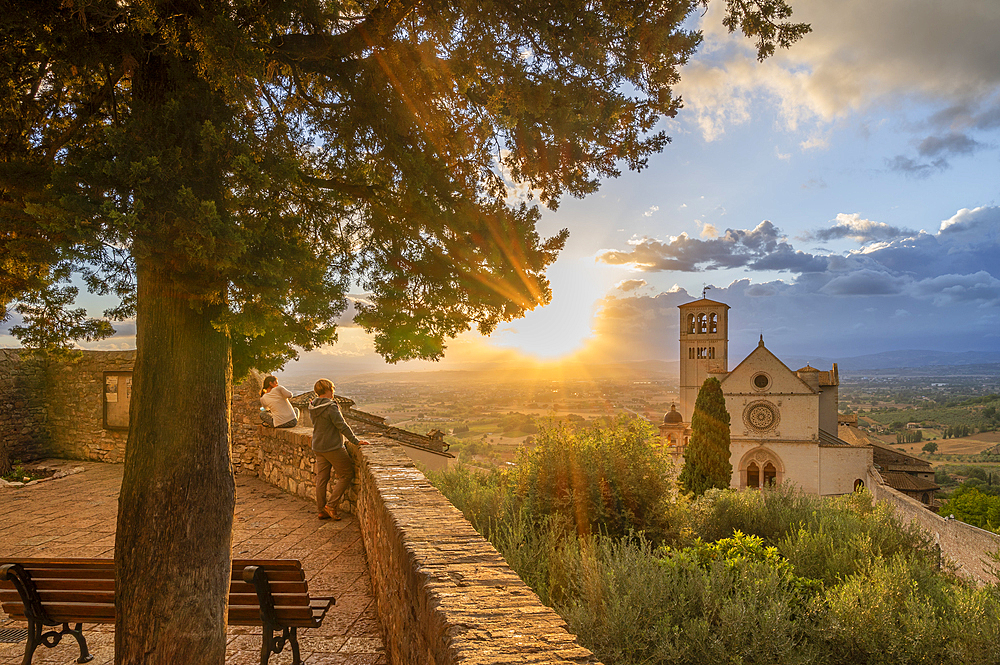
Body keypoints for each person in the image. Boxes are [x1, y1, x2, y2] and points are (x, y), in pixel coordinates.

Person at [309, 378, 368, 520]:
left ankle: (321, 510)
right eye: (332, 389)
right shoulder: (330, 407)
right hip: (332, 446)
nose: (333, 392)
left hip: (318, 446)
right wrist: (356, 441)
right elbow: (342, 425)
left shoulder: (312, 406)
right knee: (347, 474)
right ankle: (331, 505)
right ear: (329, 390)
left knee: (322, 479)